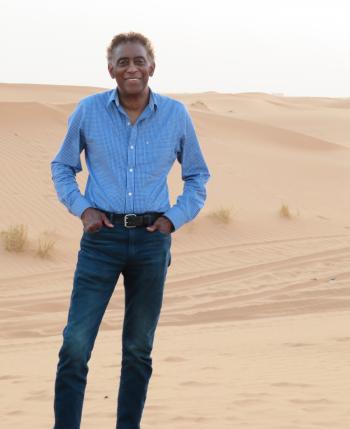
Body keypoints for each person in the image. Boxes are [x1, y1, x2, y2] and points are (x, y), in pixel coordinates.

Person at [50, 31, 211, 429]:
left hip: (151, 243)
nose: (131, 68)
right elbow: (62, 167)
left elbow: (197, 176)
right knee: (75, 345)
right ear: (111, 70)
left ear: (151, 67)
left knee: (138, 349)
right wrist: (83, 209)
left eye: (138, 61)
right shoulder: (88, 111)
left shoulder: (176, 115)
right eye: (122, 62)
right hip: (100, 240)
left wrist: (174, 218)